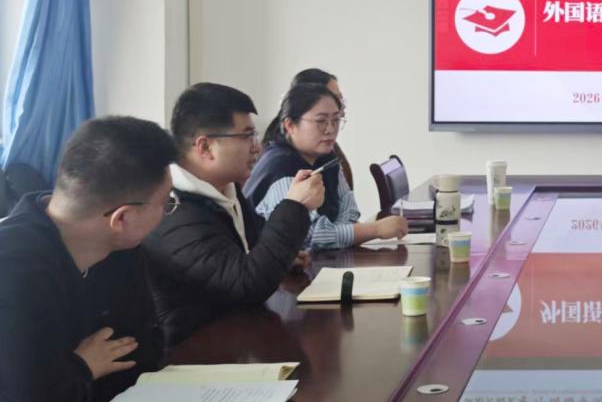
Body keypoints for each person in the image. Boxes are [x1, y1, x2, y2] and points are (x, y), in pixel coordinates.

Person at [0, 117, 175, 402]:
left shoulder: (120, 250)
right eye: (166, 203)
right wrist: (84, 366)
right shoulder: (13, 266)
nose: (167, 214)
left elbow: (142, 352)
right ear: (122, 218)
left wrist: (69, 378)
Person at [142, 83, 326, 345]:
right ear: (205, 147)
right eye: (246, 137)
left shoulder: (225, 186)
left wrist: (280, 258)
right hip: (196, 353)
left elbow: (252, 245)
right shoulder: (173, 211)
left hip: (237, 334)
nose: (257, 147)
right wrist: (295, 206)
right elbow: (246, 285)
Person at [246, 83, 407, 250]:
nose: (330, 129)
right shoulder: (280, 167)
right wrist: (375, 230)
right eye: (321, 121)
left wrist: (336, 234)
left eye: (336, 120)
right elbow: (311, 236)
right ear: (290, 125)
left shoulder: (326, 157)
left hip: (326, 259)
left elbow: (349, 210)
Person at [289, 68, 353, 188]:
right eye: (335, 98)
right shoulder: (286, 162)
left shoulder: (328, 150)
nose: (341, 105)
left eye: (341, 98)